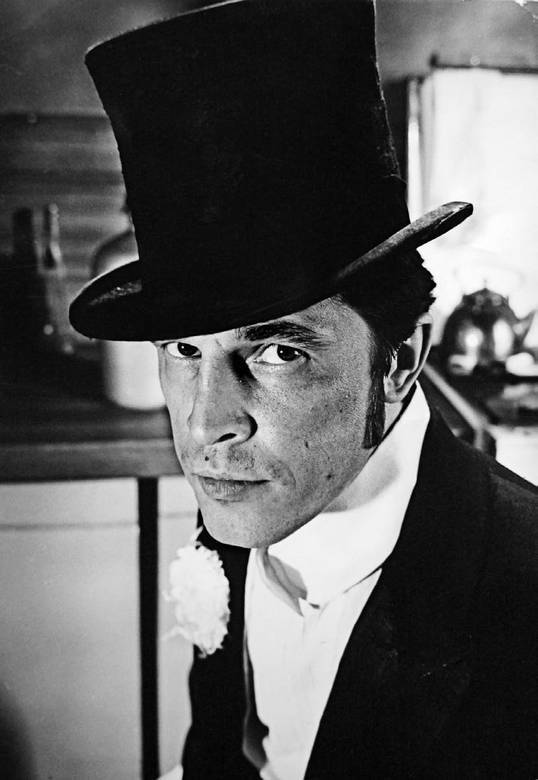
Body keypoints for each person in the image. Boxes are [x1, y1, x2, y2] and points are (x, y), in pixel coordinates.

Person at [70, 0, 538, 777]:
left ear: (398, 361)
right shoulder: (249, 490)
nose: (207, 426)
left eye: (279, 351)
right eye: (184, 348)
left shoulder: (520, 610)